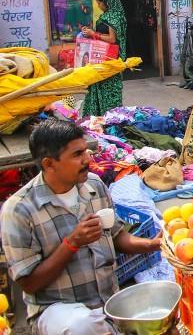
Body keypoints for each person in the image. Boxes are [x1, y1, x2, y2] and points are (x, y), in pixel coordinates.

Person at [0, 119, 162, 334]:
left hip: (107, 303)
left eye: (86, 151)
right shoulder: (19, 210)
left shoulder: (94, 185)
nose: (87, 159)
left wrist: (153, 244)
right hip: (56, 309)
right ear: (49, 164)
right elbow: (29, 283)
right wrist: (72, 243)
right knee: (82, 326)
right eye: (77, 155)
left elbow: (117, 236)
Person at [80, 0, 127, 117]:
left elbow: (112, 39)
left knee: (109, 87)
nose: (98, 6)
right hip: (100, 55)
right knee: (98, 84)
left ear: (106, 2)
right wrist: (89, 33)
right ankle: (99, 114)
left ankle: (110, 115)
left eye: (99, 2)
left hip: (110, 59)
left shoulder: (114, 17)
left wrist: (93, 34)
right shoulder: (110, 15)